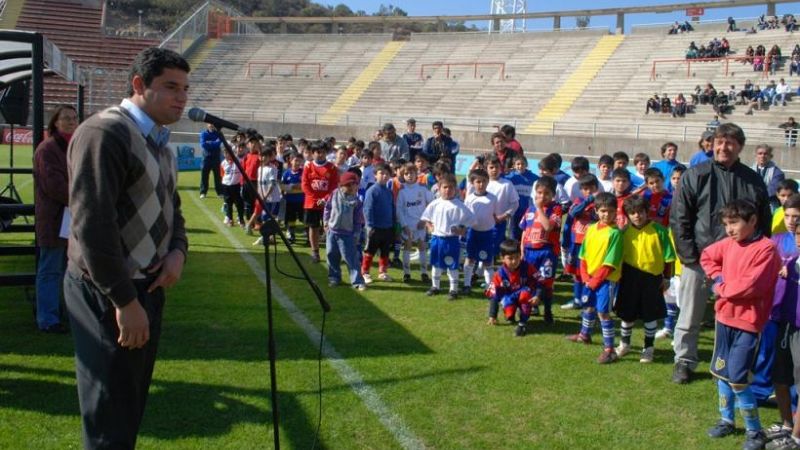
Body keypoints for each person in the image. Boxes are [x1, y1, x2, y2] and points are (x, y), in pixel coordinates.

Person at [64, 47, 190, 449]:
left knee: (127, 407)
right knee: (108, 418)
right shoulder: (106, 132)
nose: (181, 97)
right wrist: (124, 300)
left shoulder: (159, 142)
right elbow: (92, 225)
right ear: (139, 85)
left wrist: (178, 252)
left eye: (185, 88)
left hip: (145, 288)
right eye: (170, 87)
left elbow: (176, 211)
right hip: (109, 294)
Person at [670, 123, 772, 385]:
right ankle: (684, 360)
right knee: (690, 313)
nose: (723, 147)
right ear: (712, 144)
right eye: (719, 142)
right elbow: (679, 218)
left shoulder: (752, 179)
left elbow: (764, 221)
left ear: (739, 147)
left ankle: (727, 364)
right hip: (701, 259)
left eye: (730, 143)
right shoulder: (696, 175)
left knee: (734, 316)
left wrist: (757, 257)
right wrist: (690, 256)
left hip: (740, 263)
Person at [701, 199, 780, 450]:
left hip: (748, 322)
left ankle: (755, 431)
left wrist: (721, 289)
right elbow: (707, 256)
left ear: (753, 220)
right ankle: (726, 420)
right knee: (722, 373)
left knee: (737, 376)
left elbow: (752, 285)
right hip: (724, 319)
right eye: (726, 224)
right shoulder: (728, 244)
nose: (729, 229)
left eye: (734, 223)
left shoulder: (766, 249)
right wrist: (717, 277)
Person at [614, 195, 675, 363]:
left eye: (640, 212)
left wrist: (667, 277)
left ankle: (648, 348)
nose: (637, 216)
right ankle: (624, 344)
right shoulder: (624, 231)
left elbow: (669, 257)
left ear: (647, 212)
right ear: (627, 215)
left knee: (650, 314)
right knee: (627, 313)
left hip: (652, 278)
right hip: (629, 277)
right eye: (632, 213)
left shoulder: (660, 231)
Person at [33, 104, 78, 334]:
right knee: (50, 269)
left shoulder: (75, 146)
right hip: (54, 219)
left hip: (72, 219)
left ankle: (62, 312)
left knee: (69, 270)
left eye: (74, 118)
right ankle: (47, 319)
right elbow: (54, 186)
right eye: (66, 118)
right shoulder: (48, 149)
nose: (71, 121)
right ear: (55, 122)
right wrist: (83, 197)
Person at [566, 192, 624, 365]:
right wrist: (585, 277)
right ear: (596, 211)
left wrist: (594, 281)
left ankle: (609, 350)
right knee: (589, 307)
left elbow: (610, 263)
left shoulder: (615, 234)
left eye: (611, 211)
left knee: (603, 313)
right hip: (589, 278)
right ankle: (584, 335)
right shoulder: (591, 229)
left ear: (616, 212)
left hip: (606, 280)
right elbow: (583, 256)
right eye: (603, 211)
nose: (607, 214)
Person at [765, 197, 800, 449]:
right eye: (788, 216)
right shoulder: (777, 240)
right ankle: (787, 424)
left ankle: (797, 437)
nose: (791, 222)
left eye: (796, 217)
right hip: (780, 317)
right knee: (779, 375)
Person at [421, 173, 474, 300]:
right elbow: (426, 217)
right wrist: (429, 226)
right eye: (445, 187)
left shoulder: (459, 205)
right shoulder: (435, 203)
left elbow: (471, 219)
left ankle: (453, 290)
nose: (448, 190)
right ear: (439, 188)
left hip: (452, 240)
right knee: (436, 265)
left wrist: (462, 229)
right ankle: (435, 286)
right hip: (437, 239)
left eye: (451, 187)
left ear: (455, 189)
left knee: (452, 265)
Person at [519, 175, 562, 324]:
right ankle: (531, 308)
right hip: (530, 251)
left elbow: (548, 227)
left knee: (545, 282)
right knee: (529, 280)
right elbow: (525, 229)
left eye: (546, 194)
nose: (542, 196)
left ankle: (548, 311)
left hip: (547, 252)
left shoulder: (555, 209)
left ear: (553, 195)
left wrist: (539, 208)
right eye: (539, 193)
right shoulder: (529, 209)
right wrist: (522, 247)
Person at [486, 239, 541, 337]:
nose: (514, 261)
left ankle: (523, 322)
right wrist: (492, 316)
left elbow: (539, 281)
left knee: (525, 295)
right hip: (509, 296)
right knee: (509, 314)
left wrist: (537, 296)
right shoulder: (499, 274)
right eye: (510, 258)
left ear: (521, 255)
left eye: (517, 257)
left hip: (524, 294)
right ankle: (510, 312)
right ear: (502, 258)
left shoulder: (527, 267)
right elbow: (494, 296)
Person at [561, 175, 600, 311]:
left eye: (591, 189)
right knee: (577, 273)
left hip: (591, 244)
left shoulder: (599, 204)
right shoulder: (579, 201)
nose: (588, 191)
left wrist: (594, 204)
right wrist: (588, 200)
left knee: (589, 274)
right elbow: (573, 213)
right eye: (585, 189)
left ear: (597, 188)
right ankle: (577, 300)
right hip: (576, 243)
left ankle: (588, 301)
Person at [324, 171, 367, 291]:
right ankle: (334, 277)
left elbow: (358, 220)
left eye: (354, 185)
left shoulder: (357, 202)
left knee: (351, 258)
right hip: (332, 232)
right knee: (331, 255)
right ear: (341, 185)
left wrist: (357, 234)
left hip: (347, 234)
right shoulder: (334, 195)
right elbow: (327, 208)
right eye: (348, 185)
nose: (352, 188)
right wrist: (326, 222)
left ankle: (357, 281)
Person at [463, 168, 501, 294]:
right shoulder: (469, 199)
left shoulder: (493, 198)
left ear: (487, 182)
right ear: (473, 183)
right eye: (478, 182)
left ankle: (489, 288)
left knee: (487, 261)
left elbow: (495, 214)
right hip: (473, 233)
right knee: (470, 259)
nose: (481, 184)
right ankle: (466, 285)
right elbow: (466, 216)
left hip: (487, 234)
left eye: (484, 181)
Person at [396, 163, 434, 283]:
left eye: (412, 173)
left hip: (420, 224)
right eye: (406, 174)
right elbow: (399, 210)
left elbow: (432, 204)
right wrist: (404, 225)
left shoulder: (422, 188)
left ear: (416, 174)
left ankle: (424, 273)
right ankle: (406, 273)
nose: (409, 176)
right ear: (403, 176)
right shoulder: (402, 191)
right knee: (407, 245)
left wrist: (425, 220)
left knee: (422, 245)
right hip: (408, 224)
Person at [302, 142, 339, 263]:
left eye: (323, 152)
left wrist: (325, 199)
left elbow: (334, 186)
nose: (320, 154)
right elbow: (305, 185)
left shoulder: (332, 167)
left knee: (329, 227)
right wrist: (315, 199)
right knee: (313, 227)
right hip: (311, 203)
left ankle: (332, 252)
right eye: (318, 152)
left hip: (327, 203)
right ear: (313, 154)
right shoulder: (308, 167)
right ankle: (315, 252)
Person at [361, 163, 396, 284]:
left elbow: (392, 208)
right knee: (370, 251)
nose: (385, 176)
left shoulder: (389, 192)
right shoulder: (372, 191)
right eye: (382, 173)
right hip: (375, 227)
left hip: (387, 227)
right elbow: (367, 209)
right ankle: (365, 273)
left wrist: (393, 224)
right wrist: (369, 225)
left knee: (385, 251)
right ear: (375, 175)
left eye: (387, 174)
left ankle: (383, 272)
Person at [486, 155, 519, 255]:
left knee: (494, 248)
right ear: (486, 168)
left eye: (497, 167)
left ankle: (490, 265)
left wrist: (504, 216)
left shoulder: (507, 184)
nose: (494, 170)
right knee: (482, 247)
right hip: (482, 222)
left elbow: (515, 203)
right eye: (491, 167)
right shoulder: (482, 183)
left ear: (501, 169)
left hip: (498, 222)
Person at [505, 155, 538, 241]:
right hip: (514, 212)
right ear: (514, 165)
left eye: (522, 164)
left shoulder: (534, 178)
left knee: (527, 233)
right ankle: (514, 251)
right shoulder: (509, 178)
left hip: (527, 211)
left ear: (526, 164)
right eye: (518, 164)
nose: (520, 166)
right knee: (513, 234)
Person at [280, 153, 305, 244]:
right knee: (291, 219)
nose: (297, 163)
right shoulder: (286, 173)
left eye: (299, 160)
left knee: (303, 219)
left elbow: (305, 185)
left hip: (302, 200)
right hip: (290, 201)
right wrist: (286, 190)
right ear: (290, 161)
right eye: (295, 160)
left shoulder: (304, 172)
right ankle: (291, 234)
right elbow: (283, 186)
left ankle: (308, 235)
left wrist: (296, 186)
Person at [220, 150, 245, 228]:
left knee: (239, 204)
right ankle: (230, 219)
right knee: (228, 203)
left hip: (236, 186)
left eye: (229, 153)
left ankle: (241, 219)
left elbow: (243, 172)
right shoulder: (223, 163)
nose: (227, 155)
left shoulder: (239, 161)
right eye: (226, 153)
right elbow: (222, 174)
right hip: (226, 186)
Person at [198, 123, 223, 198]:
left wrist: (209, 143)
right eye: (210, 124)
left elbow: (219, 143)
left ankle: (219, 193)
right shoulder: (203, 133)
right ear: (207, 125)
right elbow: (203, 144)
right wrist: (214, 143)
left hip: (216, 158)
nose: (211, 125)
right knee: (204, 176)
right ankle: (203, 192)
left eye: (212, 124)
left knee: (218, 176)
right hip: (206, 158)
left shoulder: (218, 133)